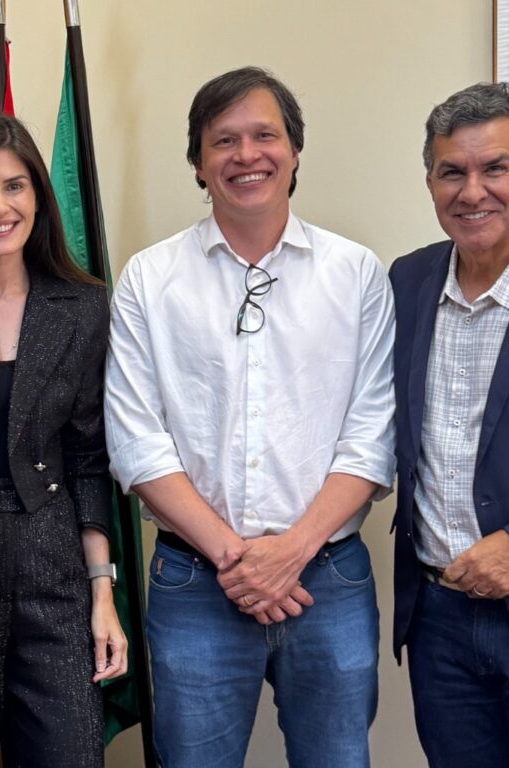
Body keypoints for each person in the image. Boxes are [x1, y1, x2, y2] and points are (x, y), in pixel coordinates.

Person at [105, 66, 395, 768]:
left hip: (328, 577)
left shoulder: (356, 273)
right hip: (194, 583)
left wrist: (290, 551)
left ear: (294, 150)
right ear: (198, 163)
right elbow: (137, 440)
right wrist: (238, 561)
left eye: (264, 135)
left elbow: (372, 434)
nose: (246, 155)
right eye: (223, 140)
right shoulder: (149, 278)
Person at [0, 111, 127, 768]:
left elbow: (88, 459)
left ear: (38, 194)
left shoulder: (83, 305)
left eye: (14, 186)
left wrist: (102, 594)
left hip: (53, 572)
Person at [391, 82, 509, 768]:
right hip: (439, 620)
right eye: (451, 172)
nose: (473, 192)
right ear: (430, 183)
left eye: (496, 168)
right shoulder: (406, 282)